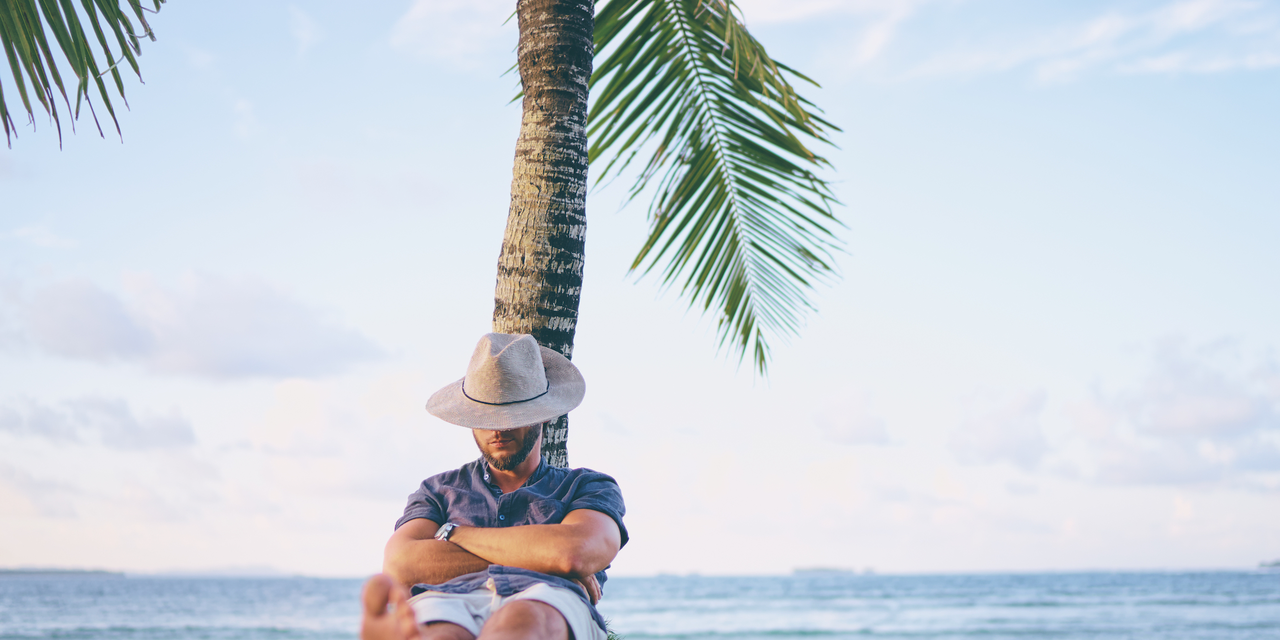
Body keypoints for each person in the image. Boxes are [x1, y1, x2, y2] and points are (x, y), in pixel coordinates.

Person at [360, 332, 628, 640]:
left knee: (523, 623)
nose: (496, 428)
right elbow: (400, 564)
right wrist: (545, 560)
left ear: (543, 416)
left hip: (547, 600)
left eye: (510, 413)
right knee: (440, 634)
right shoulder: (437, 491)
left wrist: (454, 533)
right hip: (448, 600)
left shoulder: (587, 487)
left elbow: (574, 554)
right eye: (483, 414)